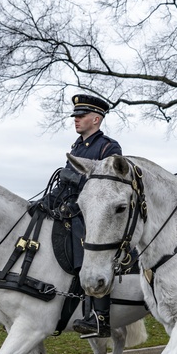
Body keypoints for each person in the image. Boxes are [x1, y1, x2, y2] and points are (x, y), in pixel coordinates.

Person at [59, 94, 123, 337]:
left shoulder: (109, 146)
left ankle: (99, 317)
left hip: (92, 214)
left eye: (81, 116)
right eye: (75, 115)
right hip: (71, 206)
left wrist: (74, 179)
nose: (76, 120)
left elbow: (107, 184)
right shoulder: (77, 146)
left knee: (88, 248)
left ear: (96, 119)